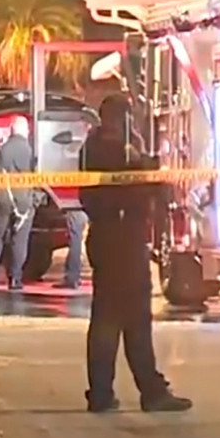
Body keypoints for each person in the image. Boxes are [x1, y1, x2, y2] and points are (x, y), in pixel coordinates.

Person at [80, 94, 191, 413]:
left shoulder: (92, 147)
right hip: (122, 239)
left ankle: (103, 392)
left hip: (106, 238)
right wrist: (148, 173)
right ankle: (150, 391)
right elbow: (134, 192)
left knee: (109, 317)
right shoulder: (117, 150)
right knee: (132, 319)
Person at [0, 116, 36, 291]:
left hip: (3, 199)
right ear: (25, 131)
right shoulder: (32, 151)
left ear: (11, 130)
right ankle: (15, 279)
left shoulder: (1, 150)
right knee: (20, 241)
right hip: (25, 203)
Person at [54, 208, 89, 289]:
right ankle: (74, 276)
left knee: (75, 239)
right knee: (77, 239)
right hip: (87, 207)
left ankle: (72, 278)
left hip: (74, 206)